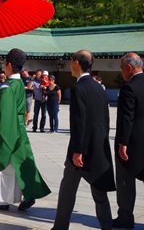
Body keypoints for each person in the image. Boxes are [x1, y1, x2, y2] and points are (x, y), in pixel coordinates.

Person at [52, 50, 115, 230]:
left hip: (79, 151)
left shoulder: (78, 88)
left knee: (67, 191)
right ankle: (107, 226)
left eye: (71, 61)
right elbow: (105, 120)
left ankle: (60, 227)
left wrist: (78, 150)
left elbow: (78, 122)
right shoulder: (99, 88)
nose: (69, 65)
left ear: (77, 63)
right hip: (98, 147)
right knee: (99, 192)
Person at [0, 48, 51, 211]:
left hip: (9, 128)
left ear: (8, 64)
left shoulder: (7, 87)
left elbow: (2, 114)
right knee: (22, 163)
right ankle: (29, 194)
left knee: (6, 164)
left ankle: (2, 200)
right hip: (19, 127)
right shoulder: (19, 84)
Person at [112, 52, 144, 229]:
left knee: (125, 181)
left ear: (129, 68)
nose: (121, 72)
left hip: (131, 142)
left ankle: (125, 216)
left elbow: (127, 118)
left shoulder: (129, 87)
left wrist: (123, 143)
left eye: (122, 68)